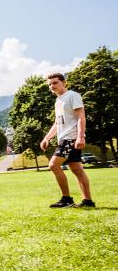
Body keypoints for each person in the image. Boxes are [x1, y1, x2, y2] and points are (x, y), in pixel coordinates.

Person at [40, 72, 95, 208]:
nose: (52, 86)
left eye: (55, 83)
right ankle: (87, 201)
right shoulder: (58, 101)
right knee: (77, 169)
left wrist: (80, 136)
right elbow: (57, 123)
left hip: (71, 138)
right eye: (49, 84)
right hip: (64, 138)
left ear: (64, 82)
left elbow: (81, 116)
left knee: (53, 165)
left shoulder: (73, 95)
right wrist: (47, 137)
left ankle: (66, 199)